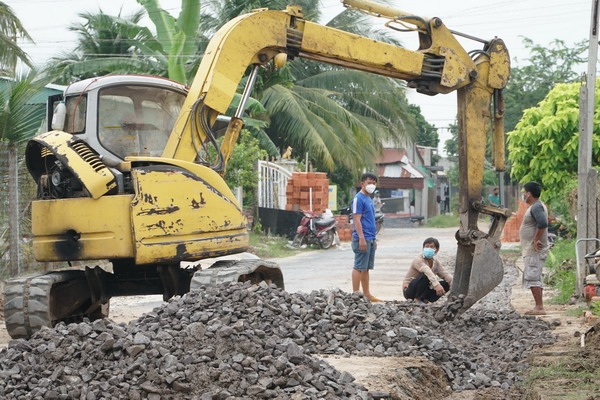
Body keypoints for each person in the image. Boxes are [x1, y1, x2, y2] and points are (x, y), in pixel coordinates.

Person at [519, 181, 549, 315]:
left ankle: (539, 307)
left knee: (532, 276)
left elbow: (542, 223)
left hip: (533, 250)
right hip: (532, 249)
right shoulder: (536, 206)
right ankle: (539, 305)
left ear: (529, 193)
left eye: (525, 192)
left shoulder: (536, 207)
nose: (524, 195)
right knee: (535, 275)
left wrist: (536, 239)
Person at [351, 172, 381, 302]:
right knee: (358, 267)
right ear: (362, 183)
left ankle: (367, 294)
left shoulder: (369, 199)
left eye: (374, 183)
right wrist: (361, 238)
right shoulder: (359, 199)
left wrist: (373, 238)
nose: (371, 185)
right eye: (369, 183)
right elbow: (357, 220)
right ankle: (355, 295)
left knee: (366, 268)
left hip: (370, 238)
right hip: (362, 238)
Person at [403, 237, 453, 304]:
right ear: (423, 248)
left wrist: (454, 286)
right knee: (425, 275)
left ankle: (425, 299)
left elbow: (445, 275)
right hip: (410, 290)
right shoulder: (418, 260)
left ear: (436, 250)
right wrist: (436, 285)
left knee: (445, 284)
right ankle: (417, 299)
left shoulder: (436, 263)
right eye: (426, 246)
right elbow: (427, 271)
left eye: (432, 247)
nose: (429, 248)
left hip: (424, 289)